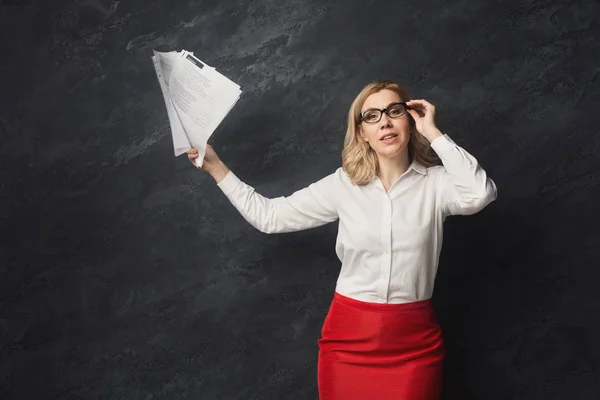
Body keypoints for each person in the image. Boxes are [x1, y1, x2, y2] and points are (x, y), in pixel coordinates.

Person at [187, 80, 497, 400]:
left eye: (394, 111)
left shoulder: (437, 184)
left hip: (414, 344)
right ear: (362, 132)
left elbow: (480, 194)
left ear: (410, 119)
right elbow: (270, 217)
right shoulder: (343, 185)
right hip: (348, 341)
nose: (385, 122)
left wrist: (433, 132)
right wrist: (215, 167)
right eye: (372, 116)